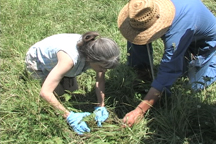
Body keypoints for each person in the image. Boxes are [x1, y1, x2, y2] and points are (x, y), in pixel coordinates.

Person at [117, 0, 216, 127]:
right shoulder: (146, 8)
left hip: (203, 43)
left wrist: (140, 110)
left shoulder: (177, 30)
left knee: (193, 85)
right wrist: (141, 70)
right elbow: (136, 36)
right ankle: (143, 71)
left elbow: (169, 70)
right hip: (187, 25)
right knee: (136, 35)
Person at [25, 31, 120, 134]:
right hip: (38, 62)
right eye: (102, 67)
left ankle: (62, 75)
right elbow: (45, 93)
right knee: (60, 97)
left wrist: (101, 105)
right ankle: (53, 75)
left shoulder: (97, 53)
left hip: (63, 62)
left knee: (72, 93)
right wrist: (69, 116)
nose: (104, 71)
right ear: (90, 59)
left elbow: (100, 81)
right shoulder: (70, 59)